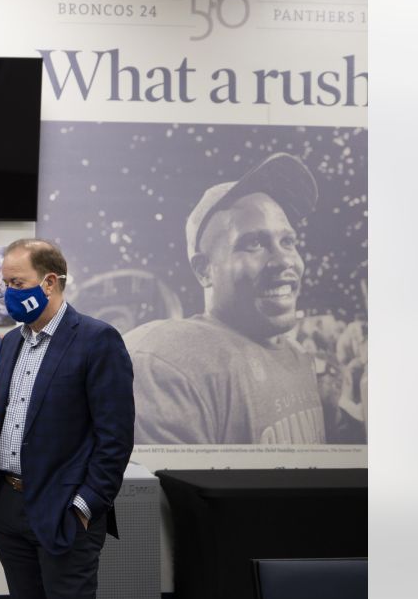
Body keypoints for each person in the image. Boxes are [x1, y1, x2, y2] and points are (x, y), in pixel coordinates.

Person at [0, 238, 135, 599]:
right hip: (9, 508)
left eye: (17, 282)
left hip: (64, 512)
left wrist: (85, 506)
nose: (7, 293)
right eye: (4, 283)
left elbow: (115, 439)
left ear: (50, 281)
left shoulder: (97, 340)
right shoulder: (10, 343)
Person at [123, 153, 327, 444]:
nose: (284, 261)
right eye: (254, 243)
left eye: (288, 242)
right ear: (205, 270)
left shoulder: (297, 355)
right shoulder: (163, 363)